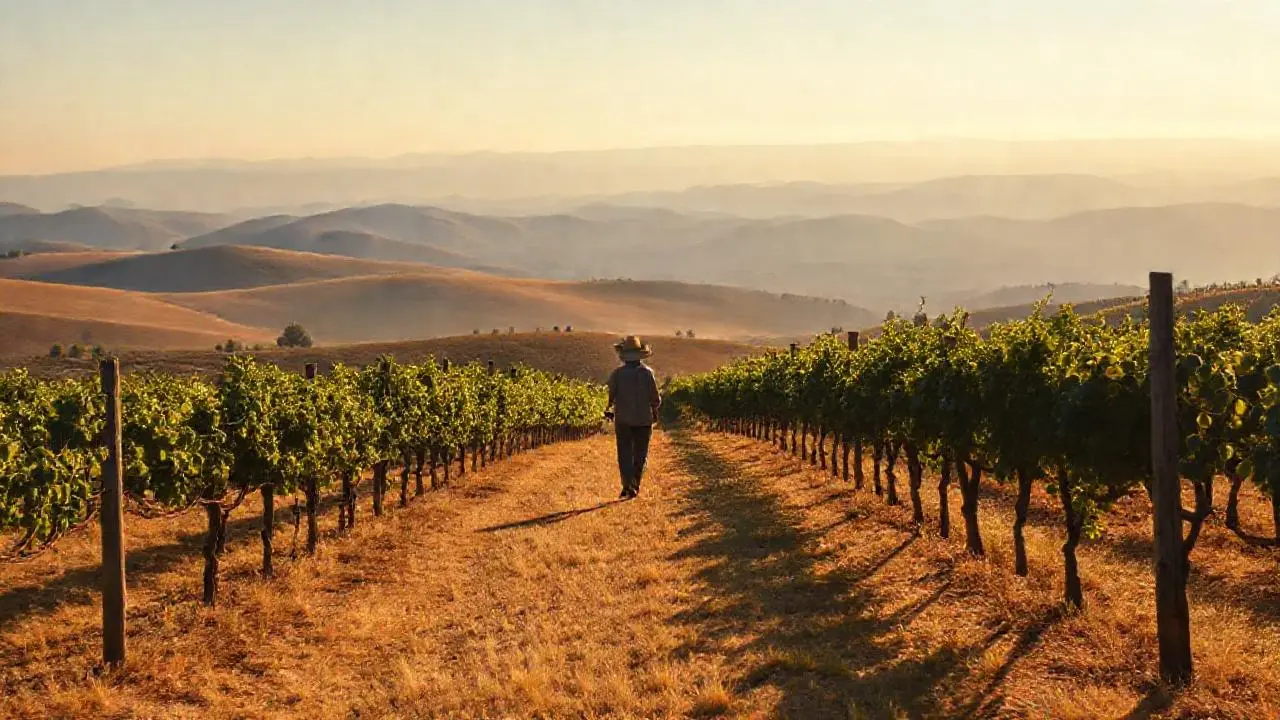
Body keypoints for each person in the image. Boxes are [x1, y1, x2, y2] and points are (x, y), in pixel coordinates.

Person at [605, 336, 661, 499]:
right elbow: (655, 399)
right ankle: (635, 485)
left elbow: (608, 396)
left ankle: (626, 485)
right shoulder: (648, 374)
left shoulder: (617, 374)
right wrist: (655, 412)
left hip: (623, 421)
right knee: (640, 454)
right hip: (644, 420)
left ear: (624, 356)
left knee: (624, 453)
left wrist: (607, 410)